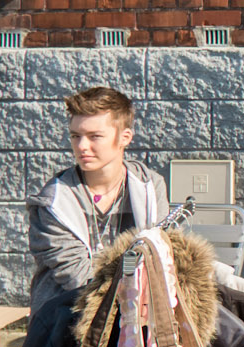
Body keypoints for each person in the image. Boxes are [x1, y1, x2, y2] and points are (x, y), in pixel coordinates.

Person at [26, 86, 169, 312]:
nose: (82, 146)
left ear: (125, 138)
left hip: (137, 314)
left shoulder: (149, 187)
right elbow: (78, 278)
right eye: (76, 136)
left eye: (95, 137)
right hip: (67, 320)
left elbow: (157, 258)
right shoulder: (54, 202)